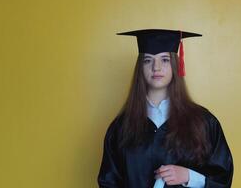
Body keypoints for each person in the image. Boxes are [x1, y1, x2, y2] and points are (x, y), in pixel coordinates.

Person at [98, 29, 234, 188]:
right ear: (140, 68)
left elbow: (222, 179)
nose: (156, 67)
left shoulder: (203, 122)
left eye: (164, 59)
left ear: (176, 65)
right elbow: (109, 182)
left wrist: (189, 176)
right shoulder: (121, 127)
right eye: (148, 60)